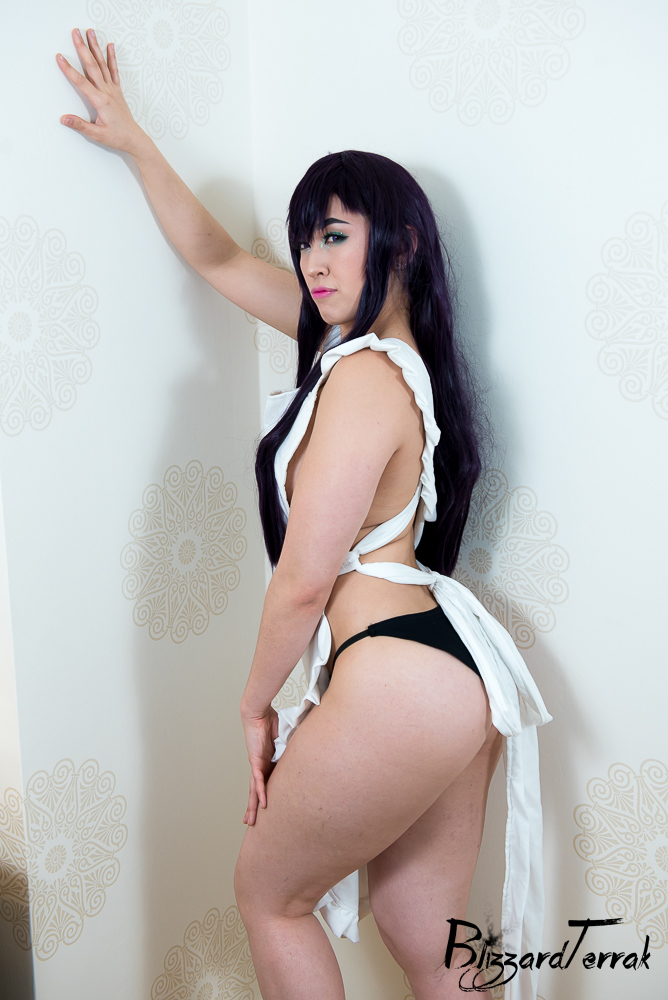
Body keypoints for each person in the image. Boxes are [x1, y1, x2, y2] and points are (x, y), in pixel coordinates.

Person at [57, 28, 552, 1000]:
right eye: (304, 238)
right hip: (453, 673)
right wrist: (135, 140)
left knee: (268, 897)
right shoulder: (382, 359)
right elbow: (215, 256)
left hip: (397, 672)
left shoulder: (363, 376)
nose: (311, 260)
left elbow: (303, 579)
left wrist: (254, 706)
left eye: (334, 234)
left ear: (403, 242)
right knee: (426, 939)